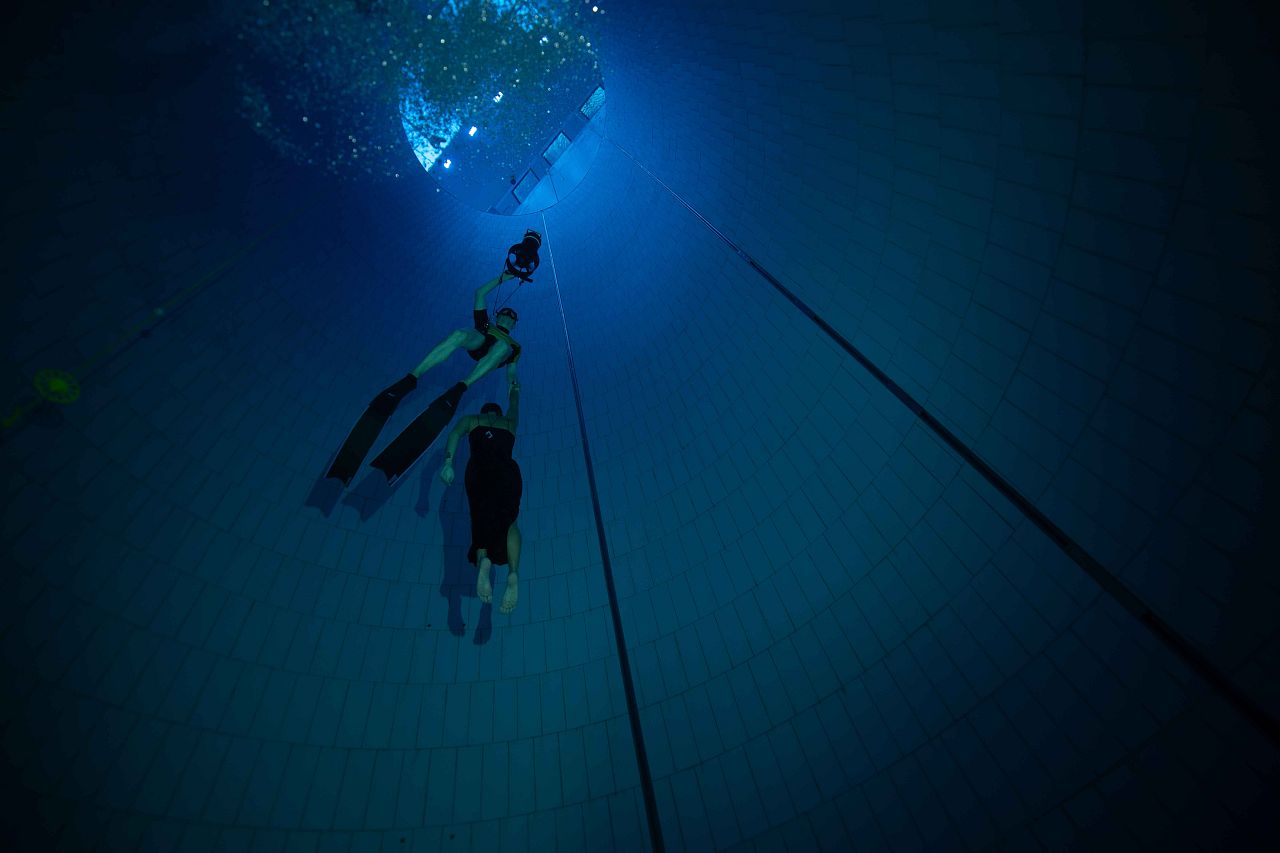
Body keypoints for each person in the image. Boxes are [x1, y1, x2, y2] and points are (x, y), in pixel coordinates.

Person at [439, 363, 523, 614]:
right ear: (497, 412)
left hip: (479, 471)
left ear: (484, 412)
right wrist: (512, 368)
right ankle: (513, 573)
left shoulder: (472, 419)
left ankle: (483, 559)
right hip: (508, 472)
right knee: (511, 522)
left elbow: (453, 435)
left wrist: (448, 463)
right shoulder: (509, 422)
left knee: (480, 518)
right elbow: (515, 394)